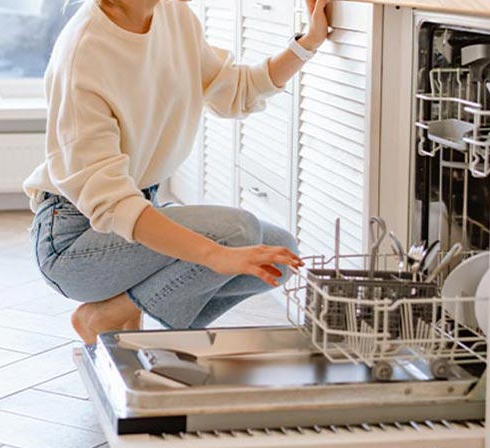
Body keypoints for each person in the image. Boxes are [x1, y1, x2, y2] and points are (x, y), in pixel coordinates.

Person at [23, 0, 330, 344]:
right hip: (74, 240)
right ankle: (103, 316)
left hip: (137, 210)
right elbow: (114, 205)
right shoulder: (84, 53)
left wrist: (307, 44)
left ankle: (126, 310)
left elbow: (236, 89)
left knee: (279, 255)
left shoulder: (173, 14)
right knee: (236, 233)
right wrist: (217, 256)